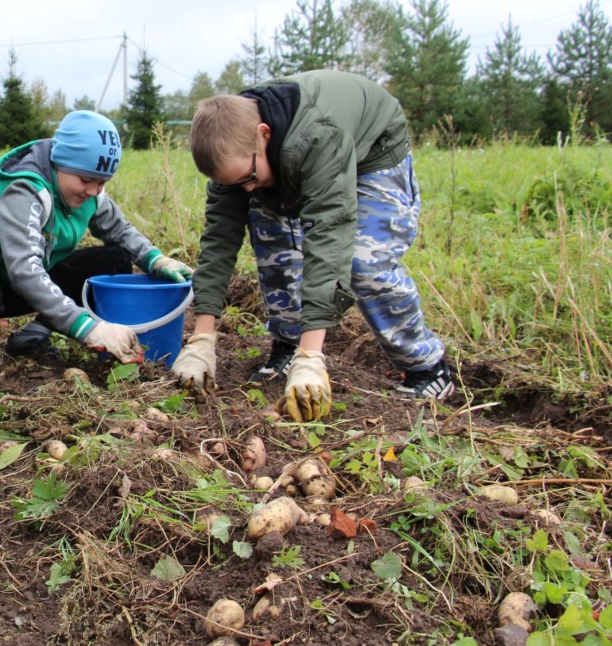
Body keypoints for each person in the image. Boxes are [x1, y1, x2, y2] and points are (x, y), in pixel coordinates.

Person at [171, 70, 454, 421]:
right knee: (274, 242)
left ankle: (427, 367)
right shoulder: (231, 148)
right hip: (286, 161)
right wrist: (202, 337)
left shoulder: (318, 135)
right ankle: (288, 344)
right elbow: (219, 240)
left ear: (263, 135)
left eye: (247, 178)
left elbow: (329, 235)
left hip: (373, 153)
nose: (245, 190)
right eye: (234, 183)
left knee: (363, 262)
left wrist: (312, 358)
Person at [0, 110, 192, 363]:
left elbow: (120, 231)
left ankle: (33, 336)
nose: (93, 191)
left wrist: (156, 260)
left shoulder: (89, 193)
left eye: (102, 183)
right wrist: (87, 327)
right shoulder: (24, 191)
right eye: (85, 180)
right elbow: (24, 268)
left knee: (113, 259)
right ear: (60, 164)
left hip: (33, 279)